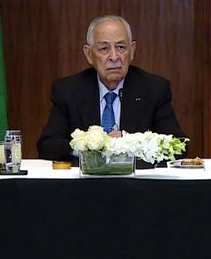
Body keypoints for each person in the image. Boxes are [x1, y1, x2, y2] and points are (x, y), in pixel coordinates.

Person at [37, 15, 186, 161]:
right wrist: (88, 147)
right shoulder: (68, 91)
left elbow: (178, 146)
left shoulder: (154, 89)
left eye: (121, 47)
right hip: (86, 177)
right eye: (104, 49)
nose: (114, 57)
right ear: (89, 54)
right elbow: (47, 146)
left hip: (135, 177)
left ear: (132, 50)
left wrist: (129, 141)